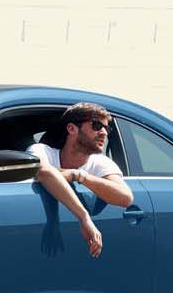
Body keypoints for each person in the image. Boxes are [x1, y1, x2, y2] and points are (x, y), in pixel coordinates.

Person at [30, 102, 133, 258]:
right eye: (97, 126)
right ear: (72, 129)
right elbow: (45, 173)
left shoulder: (100, 162)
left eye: (107, 128)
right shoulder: (41, 151)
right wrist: (84, 217)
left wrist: (80, 176)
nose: (104, 133)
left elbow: (125, 198)